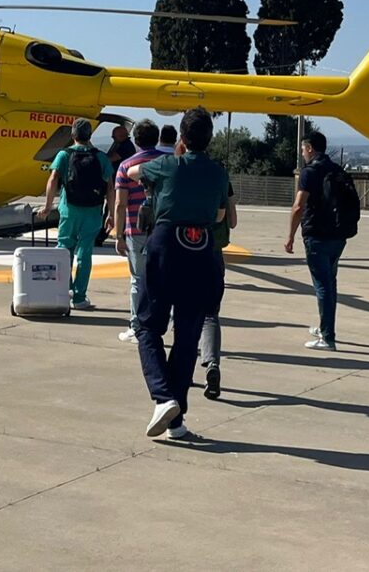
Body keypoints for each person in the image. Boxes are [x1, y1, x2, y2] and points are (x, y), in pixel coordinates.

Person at [127, 107, 227, 440]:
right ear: (210, 139)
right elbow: (220, 212)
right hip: (202, 249)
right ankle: (176, 421)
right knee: (187, 337)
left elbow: (133, 172)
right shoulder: (217, 172)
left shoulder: (168, 165)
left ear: (182, 138)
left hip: (166, 245)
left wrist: (173, 155)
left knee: (147, 326)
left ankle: (163, 397)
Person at [37, 119, 114, 310]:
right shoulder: (101, 157)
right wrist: (111, 213)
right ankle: (80, 297)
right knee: (85, 253)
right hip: (93, 211)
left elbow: (53, 178)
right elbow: (110, 186)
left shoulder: (64, 154)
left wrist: (47, 206)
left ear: (73, 135)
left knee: (64, 250)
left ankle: (63, 290)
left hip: (69, 209)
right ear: (90, 135)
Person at [285, 130, 346, 350]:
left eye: (303, 149)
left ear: (310, 148)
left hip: (317, 237)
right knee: (331, 282)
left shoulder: (309, 173)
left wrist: (290, 235)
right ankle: (325, 327)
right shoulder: (335, 169)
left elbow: (298, 206)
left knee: (322, 286)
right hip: (338, 236)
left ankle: (327, 337)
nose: (302, 153)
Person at [111, 119, 163, 344]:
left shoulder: (125, 166)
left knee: (138, 280)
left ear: (137, 141)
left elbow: (120, 204)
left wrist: (119, 234)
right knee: (161, 279)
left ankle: (136, 326)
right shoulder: (168, 162)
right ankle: (158, 323)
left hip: (136, 228)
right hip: (164, 230)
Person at [200, 177, 236, 399]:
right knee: (210, 314)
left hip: (184, 250)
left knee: (182, 314)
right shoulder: (220, 177)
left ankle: (182, 370)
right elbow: (231, 221)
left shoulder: (177, 172)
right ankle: (212, 362)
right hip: (213, 252)